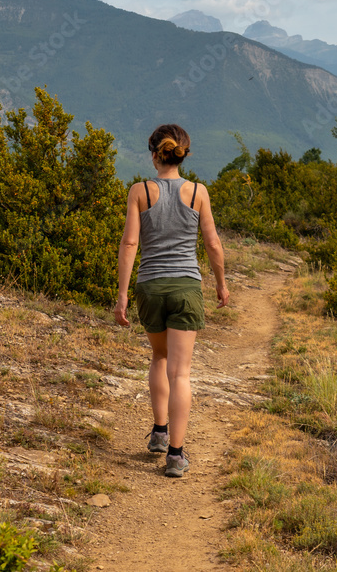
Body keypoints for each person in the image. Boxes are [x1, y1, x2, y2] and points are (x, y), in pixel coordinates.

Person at [113, 124, 229, 478]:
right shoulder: (198, 193)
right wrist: (221, 284)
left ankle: (159, 432)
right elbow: (212, 244)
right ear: (184, 154)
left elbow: (130, 244)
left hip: (150, 287)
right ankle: (175, 456)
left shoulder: (139, 191)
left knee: (159, 357)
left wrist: (121, 294)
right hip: (186, 289)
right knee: (181, 372)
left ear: (154, 154)